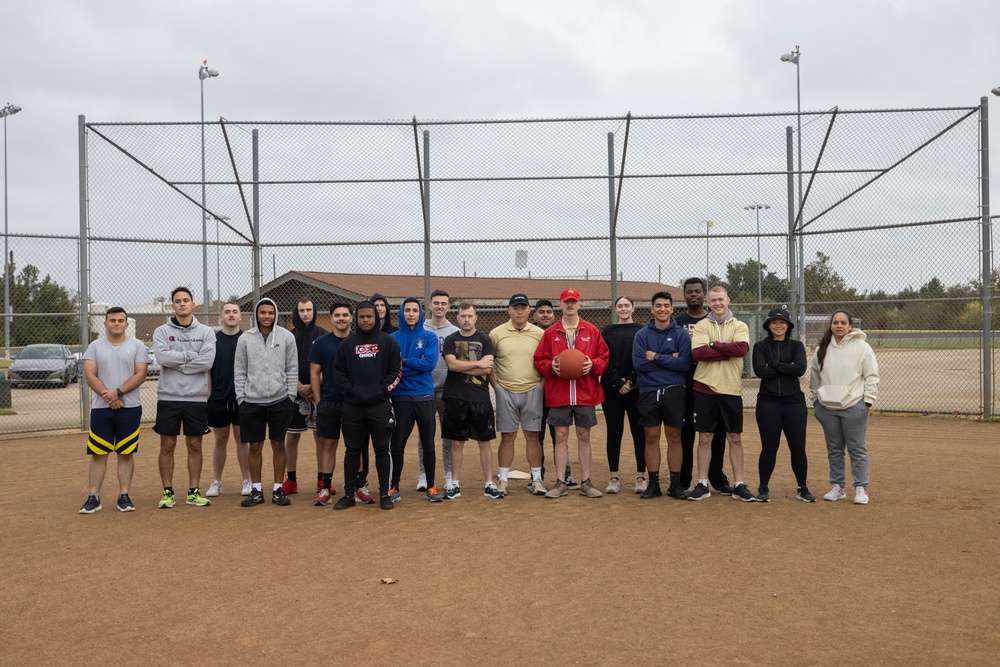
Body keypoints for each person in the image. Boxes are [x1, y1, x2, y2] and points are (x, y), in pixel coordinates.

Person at [533, 288, 609, 499]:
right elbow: (539, 361)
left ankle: (586, 481)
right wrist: (552, 367)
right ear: (561, 304)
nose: (570, 305)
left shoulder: (591, 331)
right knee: (560, 435)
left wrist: (593, 364)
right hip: (559, 393)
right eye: (566, 301)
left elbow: (604, 359)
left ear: (579, 304)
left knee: (584, 435)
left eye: (573, 301)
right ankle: (560, 482)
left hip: (585, 393)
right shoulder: (550, 333)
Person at [332, 301, 401, 511]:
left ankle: (384, 494)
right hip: (353, 407)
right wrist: (352, 392)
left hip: (379, 405)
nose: (365, 320)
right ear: (356, 318)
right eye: (361, 317)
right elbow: (338, 373)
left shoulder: (389, 343)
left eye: (369, 317)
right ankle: (349, 494)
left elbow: (396, 372)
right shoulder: (346, 345)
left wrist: (381, 391)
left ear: (377, 317)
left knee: (382, 450)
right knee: (352, 451)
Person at [688, 286, 755, 502]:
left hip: (731, 389)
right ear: (708, 303)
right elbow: (698, 353)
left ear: (728, 300)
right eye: (713, 300)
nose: (717, 303)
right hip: (704, 388)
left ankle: (739, 484)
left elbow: (741, 349)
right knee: (705, 437)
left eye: (721, 299)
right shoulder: (701, 325)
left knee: (734, 437)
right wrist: (726, 350)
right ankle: (702, 483)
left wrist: (714, 344)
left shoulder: (740, 325)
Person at [152, 286, 217, 509]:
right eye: (178, 301)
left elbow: (207, 362)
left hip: (196, 398)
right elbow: (162, 357)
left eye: (186, 300)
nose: (182, 303)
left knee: (195, 445)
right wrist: (191, 358)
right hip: (169, 397)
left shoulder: (206, 332)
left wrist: (179, 362)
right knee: (168, 445)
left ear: (193, 304)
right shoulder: (161, 331)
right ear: (173, 305)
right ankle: (168, 492)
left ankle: (193, 491)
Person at [79, 307, 148, 514]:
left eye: (120, 320)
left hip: (130, 408)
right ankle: (94, 497)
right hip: (101, 408)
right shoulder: (95, 346)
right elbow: (89, 375)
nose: (116, 323)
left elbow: (141, 374)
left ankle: (124, 496)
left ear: (127, 324)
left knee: (126, 453)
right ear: (105, 324)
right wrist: (107, 396)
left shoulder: (137, 346)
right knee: (99, 453)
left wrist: (117, 392)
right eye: (112, 320)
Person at [808, 310, 880, 505]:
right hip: (827, 407)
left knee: (857, 448)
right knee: (834, 449)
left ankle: (861, 488)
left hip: (853, 406)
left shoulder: (862, 347)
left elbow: (871, 375)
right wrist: (816, 399)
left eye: (843, 323)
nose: (839, 326)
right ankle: (838, 487)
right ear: (830, 325)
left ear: (850, 326)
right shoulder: (822, 348)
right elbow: (814, 376)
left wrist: (867, 402)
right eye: (835, 322)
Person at [235, 298, 298, 507]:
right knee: (255, 446)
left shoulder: (287, 337)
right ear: (256, 314)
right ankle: (256, 490)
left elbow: (292, 368)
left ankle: (278, 489)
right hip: (252, 402)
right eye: (263, 312)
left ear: (276, 314)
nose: (267, 316)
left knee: (278, 444)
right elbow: (240, 370)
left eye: (271, 312)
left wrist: (290, 396)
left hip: (281, 400)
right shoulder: (245, 338)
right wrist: (241, 398)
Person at [310, 303, 374, 505]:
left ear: (351, 317)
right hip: (329, 402)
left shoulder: (360, 341)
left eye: (345, 315)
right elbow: (314, 373)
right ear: (331, 318)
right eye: (337, 315)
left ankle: (360, 486)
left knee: (356, 446)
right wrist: (319, 402)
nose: (341, 318)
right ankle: (326, 488)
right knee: (328, 444)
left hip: (354, 404)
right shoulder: (321, 342)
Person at [674, 278, 733, 495]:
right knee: (687, 431)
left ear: (704, 294)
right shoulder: (677, 321)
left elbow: (730, 348)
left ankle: (716, 476)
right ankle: (684, 478)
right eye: (689, 292)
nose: (693, 295)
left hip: (712, 380)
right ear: (684, 295)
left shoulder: (715, 320)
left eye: (698, 291)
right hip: (685, 382)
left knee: (715, 430)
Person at [632, 292, 691, 500]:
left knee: (674, 436)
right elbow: (639, 365)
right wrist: (669, 358)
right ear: (651, 309)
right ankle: (654, 483)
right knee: (651, 437)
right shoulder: (642, 334)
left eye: (666, 305)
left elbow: (684, 363)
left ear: (673, 308)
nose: (662, 309)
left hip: (675, 390)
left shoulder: (681, 334)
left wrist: (655, 356)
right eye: (658, 305)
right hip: (648, 391)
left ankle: (675, 485)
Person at [753, 308, 815, 502]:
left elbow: (800, 369)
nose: (778, 325)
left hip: (793, 403)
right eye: (774, 322)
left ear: (788, 325)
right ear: (768, 326)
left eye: (782, 322)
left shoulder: (796, 345)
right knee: (769, 447)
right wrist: (786, 366)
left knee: (798, 447)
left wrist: (774, 364)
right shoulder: (760, 346)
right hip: (768, 403)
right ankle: (763, 487)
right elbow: (760, 372)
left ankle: (802, 488)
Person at [442, 303, 502, 499]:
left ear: (476, 318)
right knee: (457, 442)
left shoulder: (485, 339)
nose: (466, 319)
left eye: (470, 316)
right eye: (463, 316)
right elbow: (451, 365)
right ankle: (455, 484)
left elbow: (487, 370)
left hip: (479, 398)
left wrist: (464, 367)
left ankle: (488, 483)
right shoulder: (451, 339)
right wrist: (477, 363)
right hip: (455, 397)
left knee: (484, 441)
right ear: (457, 318)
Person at [489, 294, 547, 496]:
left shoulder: (540, 333)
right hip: (506, 390)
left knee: (533, 435)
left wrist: (541, 385)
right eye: (516, 308)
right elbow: (489, 363)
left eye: (523, 308)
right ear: (509, 310)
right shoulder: (496, 333)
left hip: (533, 390)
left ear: (529, 310)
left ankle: (537, 479)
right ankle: (503, 480)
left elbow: (547, 361)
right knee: (508, 436)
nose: (520, 311)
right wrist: (496, 386)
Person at [389, 296, 442, 502]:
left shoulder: (429, 337)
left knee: (428, 443)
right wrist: (411, 364)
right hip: (400, 397)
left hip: (424, 396)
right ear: (401, 313)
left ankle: (431, 486)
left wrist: (404, 362)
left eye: (415, 310)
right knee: (397, 444)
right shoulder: (392, 338)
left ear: (421, 314)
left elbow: (429, 364)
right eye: (407, 310)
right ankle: (394, 487)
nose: (411, 314)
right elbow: (392, 368)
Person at [600, 296, 646, 494]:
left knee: (639, 432)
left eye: (627, 305)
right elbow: (604, 358)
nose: (624, 308)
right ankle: (613, 477)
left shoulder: (642, 331)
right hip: (611, 389)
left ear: (633, 308)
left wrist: (631, 381)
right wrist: (617, 382)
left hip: (637, 389)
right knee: (614, 431)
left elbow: (643, 358)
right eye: (620, 306)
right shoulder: (607, 331)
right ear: (615, 309)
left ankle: (641, 477)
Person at [282, 297, 328, 496]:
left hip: (318, 393)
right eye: (301, 310)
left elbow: (329, 365)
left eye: (309, 309)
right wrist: (299, 387)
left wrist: (312, 387)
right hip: (294, 394)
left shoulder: (324, 335)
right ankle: (291, 480)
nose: (305, 314)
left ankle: (322, 480)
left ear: (314, 311)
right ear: (296, 312)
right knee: (291, 437)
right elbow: (284, 366)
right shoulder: (288, 337)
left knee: (321, 438)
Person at [206, 302, 250, 498]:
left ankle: (247, 480)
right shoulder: (213, 340)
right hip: (218, 399)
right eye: (227, 312)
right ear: (221, 317)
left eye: (235, 312)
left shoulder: (248, 339)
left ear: (240, 317)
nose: (231, 315)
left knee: (242, 440)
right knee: (220, 440)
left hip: (243, 400)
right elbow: (207, 371)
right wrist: (208, 397)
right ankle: (217, 481)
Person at [416, 289, 458, 493]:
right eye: (436, 303)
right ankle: (424, 475)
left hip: (448, 390)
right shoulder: (420, 329)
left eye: (444, 303)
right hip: (424, 390)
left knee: (448, 435)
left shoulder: (454, 332)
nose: (440, 306)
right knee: (425, 435)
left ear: (448, 307)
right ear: (430, 305)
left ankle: (449, 476)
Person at [532, 298, 570, 484]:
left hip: (556, 390)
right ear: (534, 315)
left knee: (560, 433)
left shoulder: (561, 332)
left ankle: (565, 474)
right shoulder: (530, 334)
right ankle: (537, 475)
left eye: (549, 312)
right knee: (537, 433)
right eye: (541, 312)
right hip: (535, 391)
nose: (545, 315)